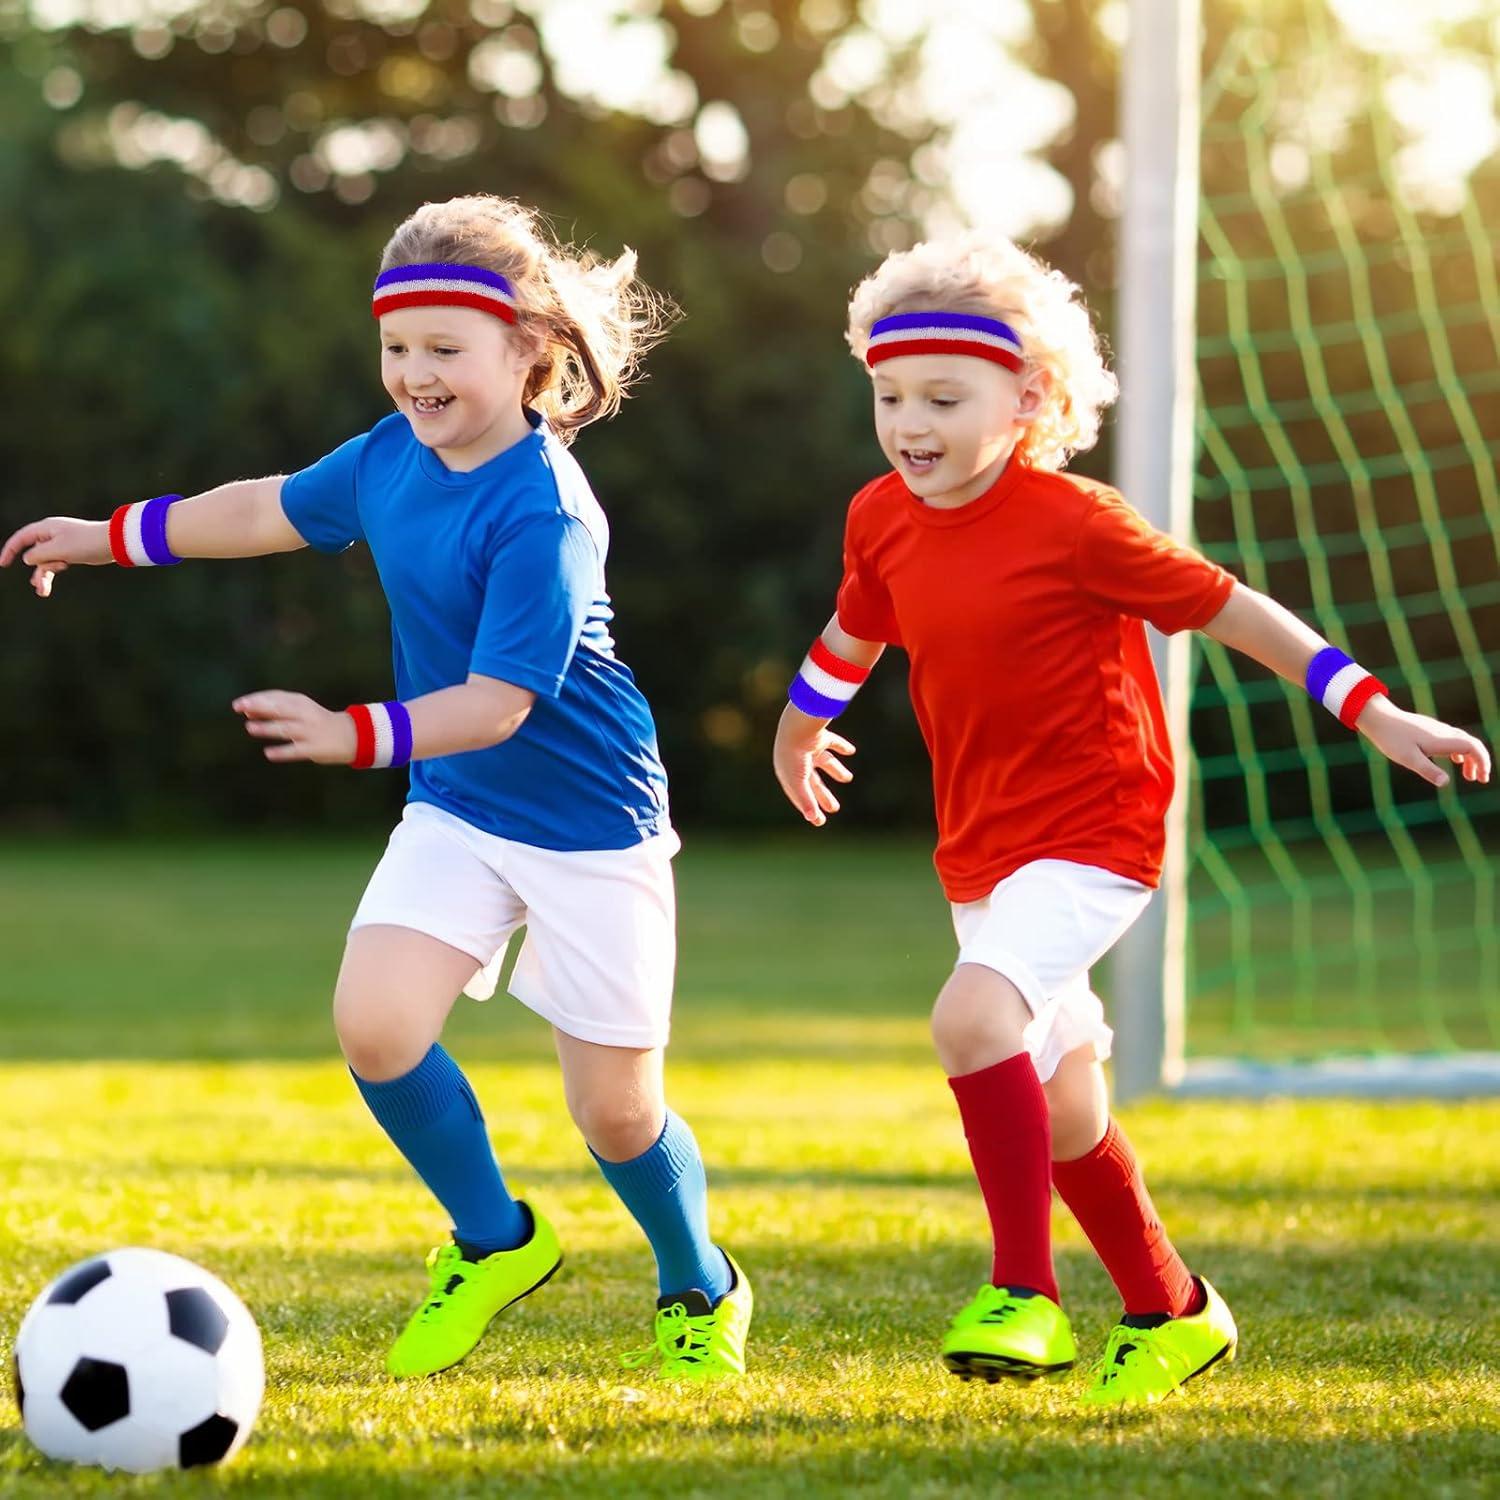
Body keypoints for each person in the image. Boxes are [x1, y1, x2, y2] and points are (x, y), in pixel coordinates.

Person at [3, 194, 752, 1383]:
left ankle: (698, 1283)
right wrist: (108, 537)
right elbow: (265, 507)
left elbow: (499, 704)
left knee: (615, 1115)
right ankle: (497, 1240)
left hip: (590, 825)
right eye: (397, 347)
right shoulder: (390, 457)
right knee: (377, 1025)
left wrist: (353, 734)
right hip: (460, 806)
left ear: (527, 349)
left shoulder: (546, 512)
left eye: (444, 348)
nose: (414, 374)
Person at [771, 233, 1490, 1408]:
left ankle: (1023, 1294)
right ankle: (1174, 1310)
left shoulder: (1077, 523)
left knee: (971, 1019)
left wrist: (1372, 709)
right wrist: (800, 726)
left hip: (1096, 831)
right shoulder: (881, 516)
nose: (911, 423)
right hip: (981, 849)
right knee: (1063, 1108)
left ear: (1028, 399)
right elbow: (857, 628)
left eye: (944, 398)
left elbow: (1233, 609)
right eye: (890, 396)